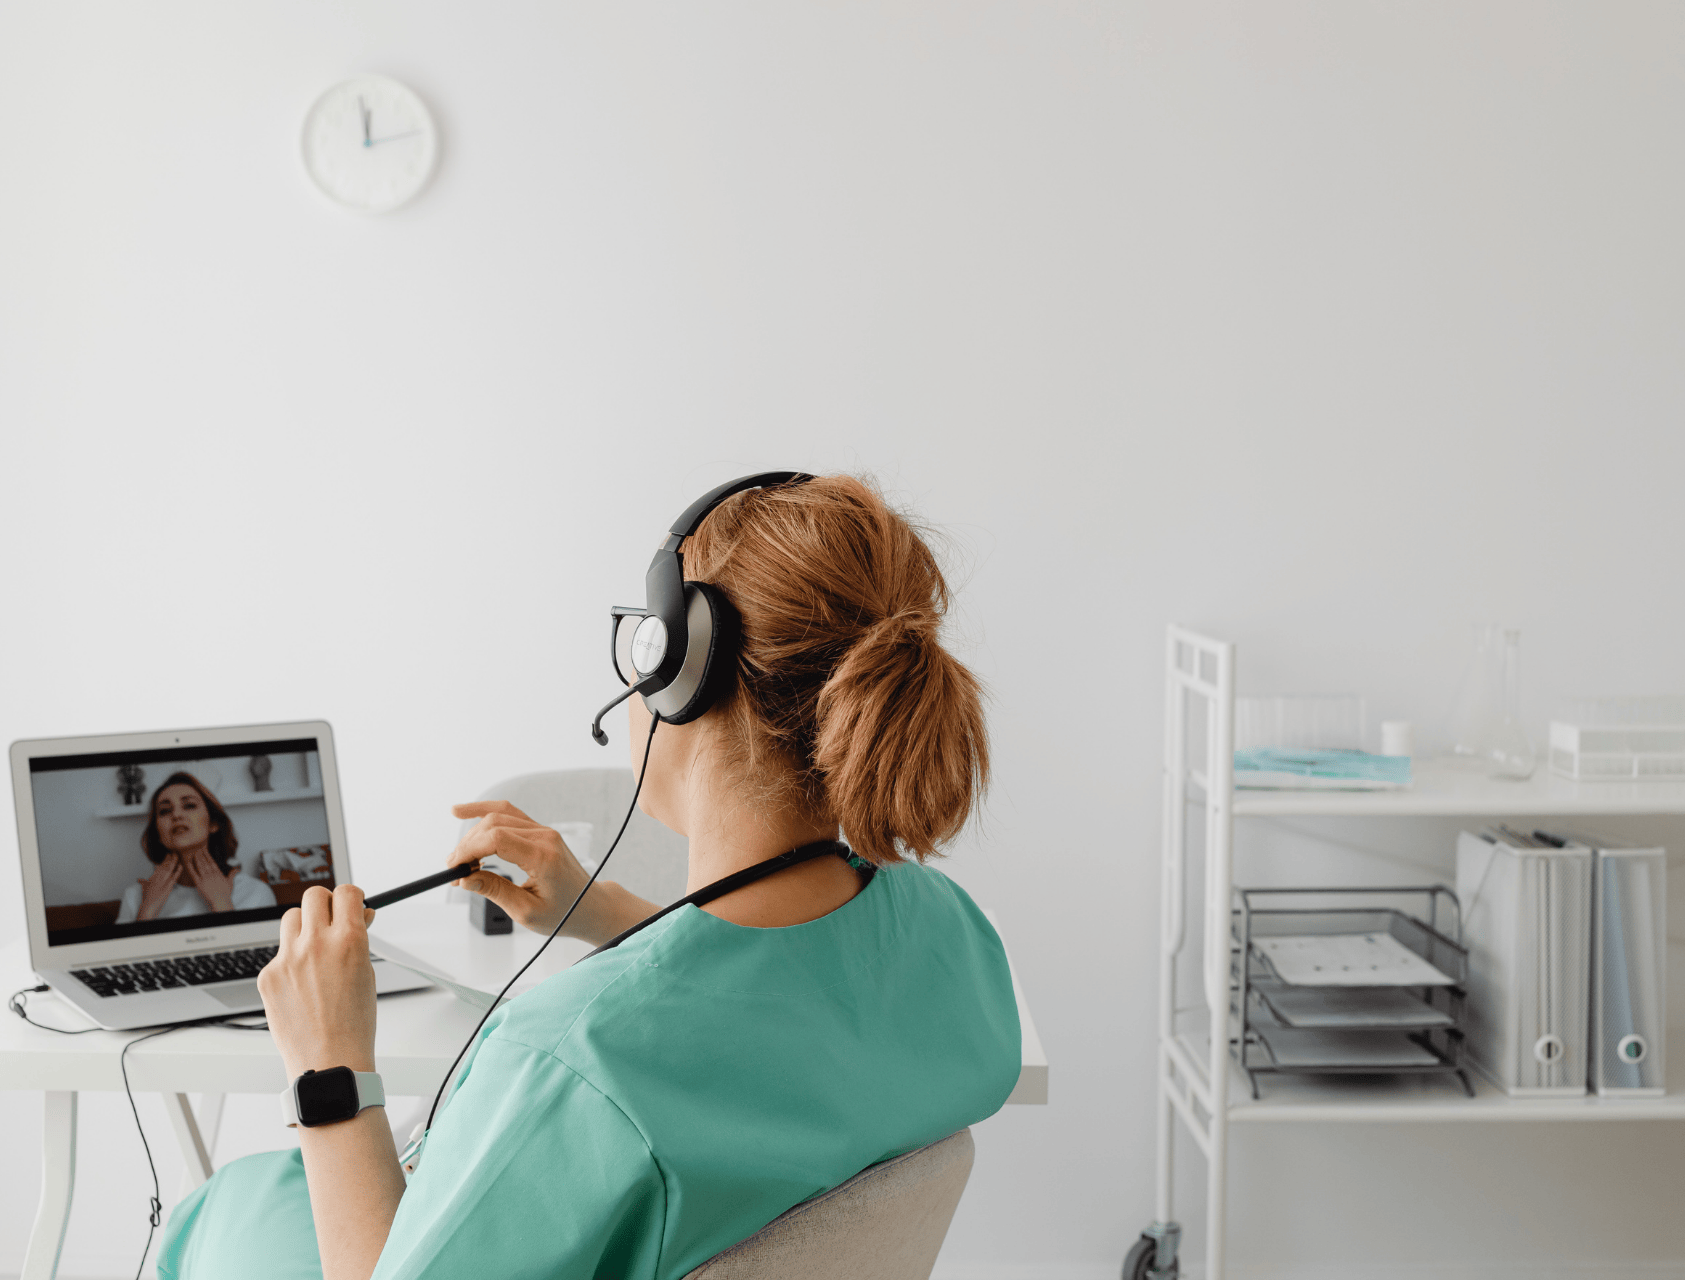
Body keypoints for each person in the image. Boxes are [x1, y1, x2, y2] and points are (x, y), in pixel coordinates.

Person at [158, 475, 1019, 1280]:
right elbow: (779, 1019)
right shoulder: (949, 935)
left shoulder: (570, 1066)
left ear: (685, 671)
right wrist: (604, 914)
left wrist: (327, 1066)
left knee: (214, 1214)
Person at [116, 772, 275, 923]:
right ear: (158, 834)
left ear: (213, 823)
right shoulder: (135, 897)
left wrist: (222, 906)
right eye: (164, 811)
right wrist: (147, 911)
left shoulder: (255, 893)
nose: (177, 815)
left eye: (189, 805)